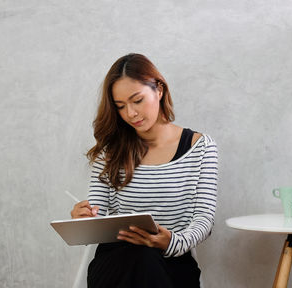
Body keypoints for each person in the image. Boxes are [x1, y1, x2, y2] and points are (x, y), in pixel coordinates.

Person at [69, 53, 218, 287]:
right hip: (117, 262)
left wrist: (173, 243)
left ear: (159, 89)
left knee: (146, 259)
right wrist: (84, 220)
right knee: (137, 257)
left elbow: (204, 218)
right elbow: (98, 215)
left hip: (172, 263)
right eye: (120, 107)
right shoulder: (111, 152)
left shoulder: (200, 147)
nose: (131, 113)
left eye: (137, 100)